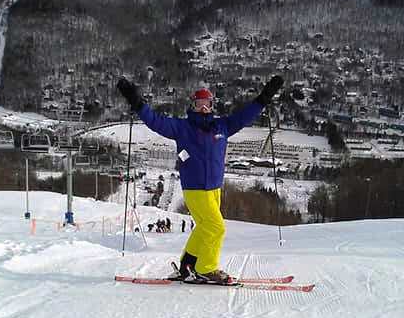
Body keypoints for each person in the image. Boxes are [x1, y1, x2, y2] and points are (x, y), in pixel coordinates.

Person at [117, 74, 283, 284]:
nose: (203, 108)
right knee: (217, 227)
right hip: (195, 188)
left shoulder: (222, 126)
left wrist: (264, 98)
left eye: (207, 104)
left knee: (205, 226)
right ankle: (207, 268)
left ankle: (187, 267)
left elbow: (244, 116)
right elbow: (156, 121)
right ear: (192, 106)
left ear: (212, 105)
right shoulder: (182, 128)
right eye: (199, 104)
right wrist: (136, 102)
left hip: (215, 188)